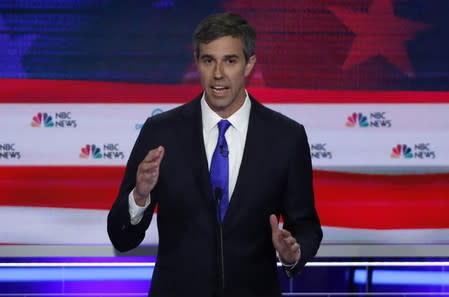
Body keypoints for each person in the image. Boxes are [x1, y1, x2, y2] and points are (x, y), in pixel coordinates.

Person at [107, 12, 322, 297]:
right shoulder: (162, 132)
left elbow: (306, 224)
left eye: (230, 61)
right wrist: (139, 196)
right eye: (209, 60)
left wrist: (293, 251)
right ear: (197, 62)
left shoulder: (286, 137)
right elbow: (122, 237)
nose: (218, 73)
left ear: (249, 64)